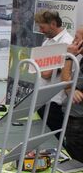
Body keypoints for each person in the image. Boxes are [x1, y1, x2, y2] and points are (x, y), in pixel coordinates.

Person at [34, 10, 73, 138]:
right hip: (42, 97)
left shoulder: (67, 43)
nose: (40, 30)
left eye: (42, 27)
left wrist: (48, 70)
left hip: (55, 100)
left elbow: (46, 73)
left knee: (54, 138)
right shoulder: (47, 42)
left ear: (53, 24)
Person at [62, 28, 83, 162]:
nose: (73, 41)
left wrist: (69, 57)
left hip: (78, 119)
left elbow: (66, 84)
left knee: (76, 158)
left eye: (76, 38)